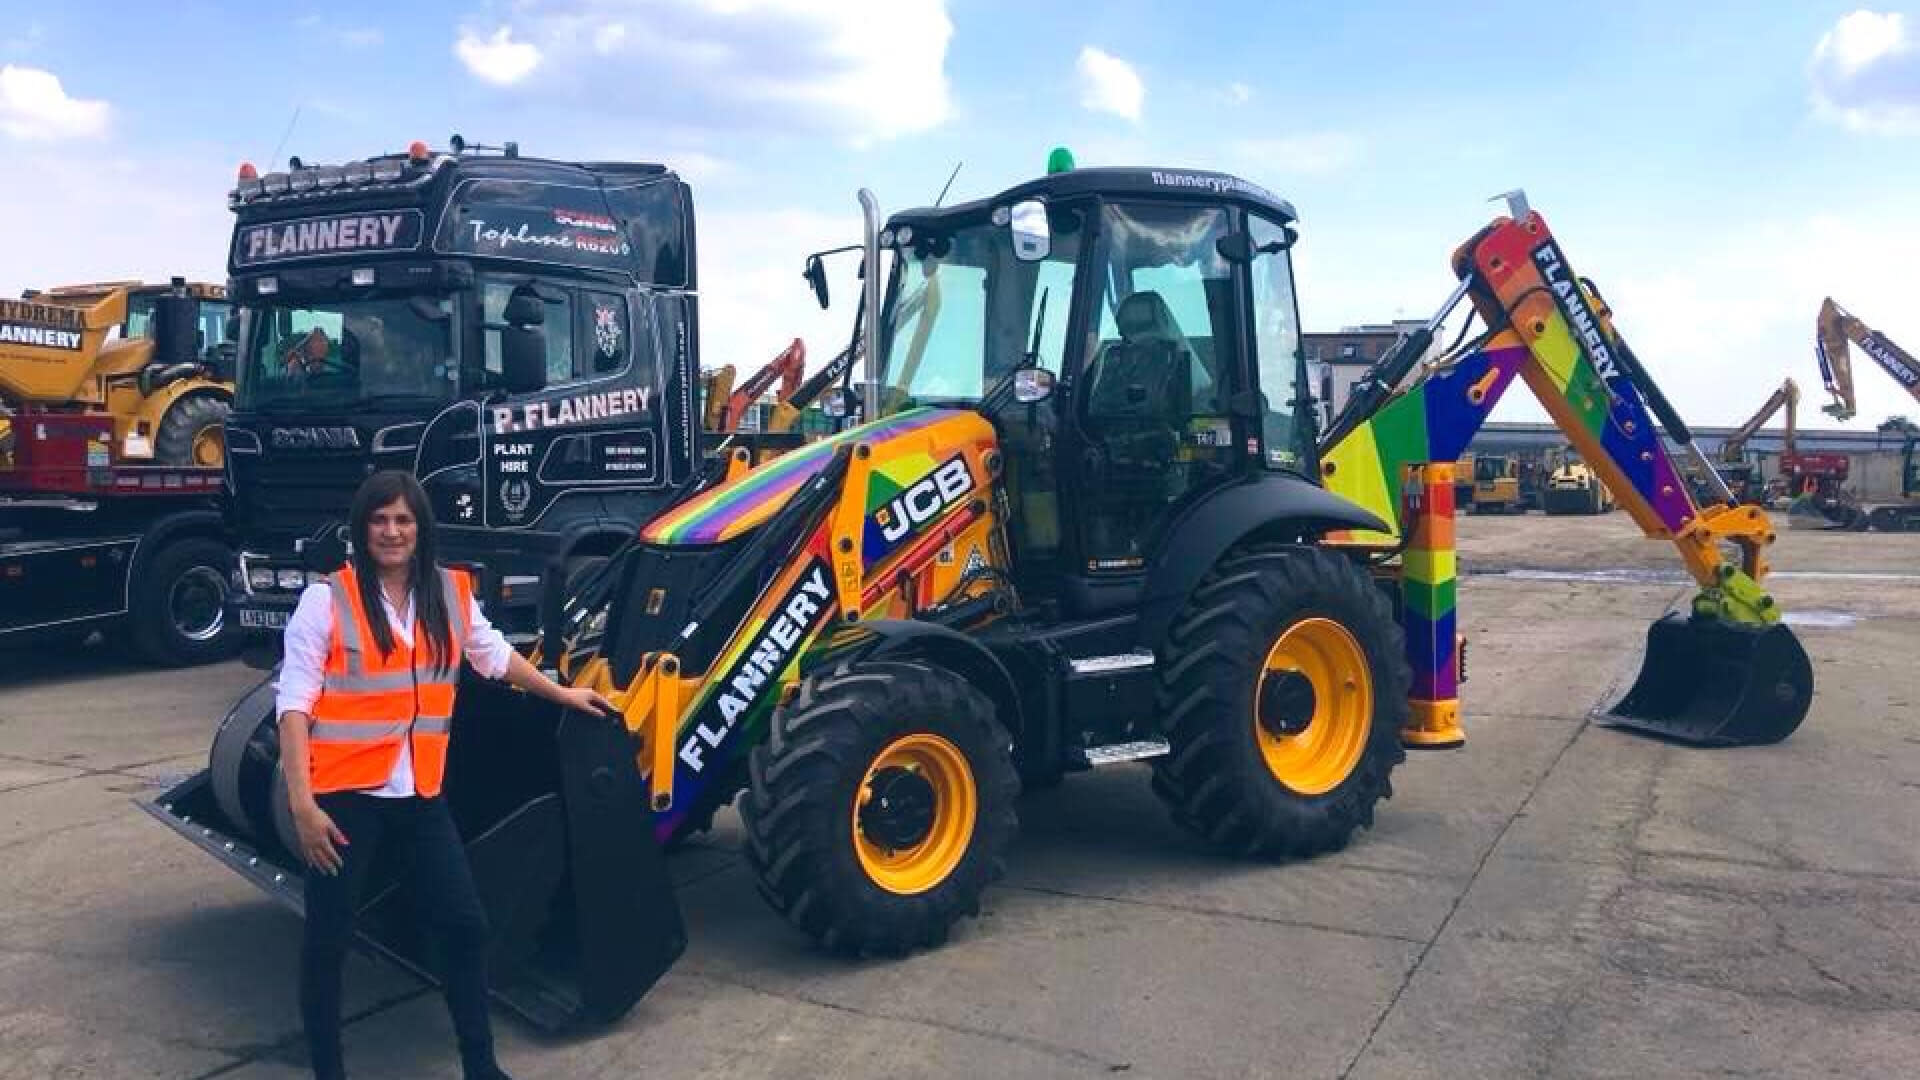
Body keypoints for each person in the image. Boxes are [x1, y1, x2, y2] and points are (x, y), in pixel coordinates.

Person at [277, 469, 614, 1080]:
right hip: (344, 799)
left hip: (420, 793)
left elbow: (494, 656)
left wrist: (561, 695)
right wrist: (302, 804)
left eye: (403, 520)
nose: (392, 531)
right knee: (328, 940)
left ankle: (481, 1067)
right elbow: (295, 703)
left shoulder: (450, 596)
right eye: (379, 520)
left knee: (464, 924)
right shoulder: (327, 600)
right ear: (363, 527)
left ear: (421, 528)